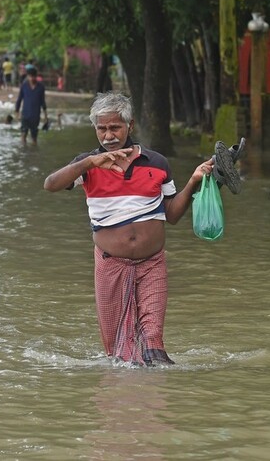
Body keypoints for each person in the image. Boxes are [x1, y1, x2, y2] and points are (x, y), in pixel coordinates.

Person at [43, 92, 215, 366]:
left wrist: (194, 181)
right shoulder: (86, 166)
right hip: (111, 265)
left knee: (153, 341)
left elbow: (171, 215)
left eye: (115, 127)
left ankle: (155, 402)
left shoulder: (157, 163)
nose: (108, 135)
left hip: (152, 263)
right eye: (102, 129)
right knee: (119, 352)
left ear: (130, 126)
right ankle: (123, 402)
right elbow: (50, 184)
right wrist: (89, 162)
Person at [14, 67, 47, 145]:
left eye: (33, 76)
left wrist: (46, 115)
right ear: (28, 76)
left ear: (36, 76)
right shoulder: (24, 86)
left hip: (35, 115)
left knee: (34, 137)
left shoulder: (41, 87)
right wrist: (16, 112)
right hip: (25, 114)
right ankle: (23, 153)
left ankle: (33, 153)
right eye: (30, 76)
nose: (32, 78)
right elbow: (19, 99)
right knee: (23, 135)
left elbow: (43, 102)